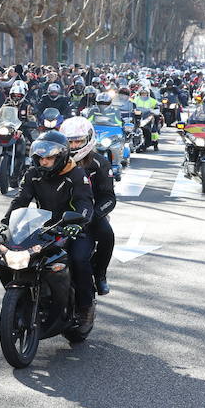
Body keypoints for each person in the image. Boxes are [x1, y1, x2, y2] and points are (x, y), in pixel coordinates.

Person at [0, 131, 96, 329]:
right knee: (11, 254)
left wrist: (78, 222)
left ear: (60, 157)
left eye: (50, 158)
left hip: (73, 226)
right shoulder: (32, 174)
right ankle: (29, 297)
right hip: (43, 226)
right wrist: (4, 223)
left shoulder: (76, 174)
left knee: (79, 260)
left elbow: (84, 203)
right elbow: (20, 200)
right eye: (41, 158)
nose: (44, 162)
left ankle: (85, 309)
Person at [60, 116, 115, 296]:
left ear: (89, 139)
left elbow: (109, 198)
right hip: (58, 216)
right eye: (71, 142)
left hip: (91, 216)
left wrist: (92, 215)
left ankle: (100, 274)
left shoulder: (100, 163)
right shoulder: (55, 160)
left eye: (79, 141)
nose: (75, 146)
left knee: (107, 234)